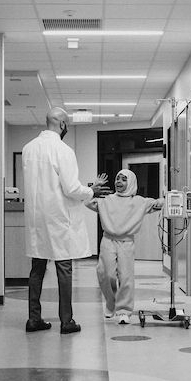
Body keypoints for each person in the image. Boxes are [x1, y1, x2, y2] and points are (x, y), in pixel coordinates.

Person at [21, 107, 107, 334]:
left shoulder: (28, 149)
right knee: (64, 267)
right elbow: (70, 188)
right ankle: (66, 321)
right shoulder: (63, 150)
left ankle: (33, 319)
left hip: (36, 217)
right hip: (58, 217)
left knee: (37, 268)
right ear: (62, 125)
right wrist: (91, 190)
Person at [86, 168, 163, 324]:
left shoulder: (140, 202)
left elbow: (159, 203)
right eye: (117, 178)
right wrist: (94, 186)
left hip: (127, 242)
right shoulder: (106, 200)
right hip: (108, 240)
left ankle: (124, 311)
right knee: (105, 274)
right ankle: (111, 302)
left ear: (131, 182)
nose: (118, 182)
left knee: (126, 277)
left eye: (123, 179)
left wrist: (176, 197)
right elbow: (87, 202)